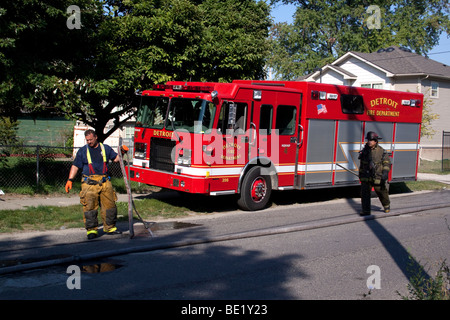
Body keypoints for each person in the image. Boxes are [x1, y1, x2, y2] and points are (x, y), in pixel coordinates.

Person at [65, 129, 128, 239]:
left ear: (96, 137)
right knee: (90, 207)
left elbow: (116, 159)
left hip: (104, 182)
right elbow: (75, 166)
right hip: (89, 183)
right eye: (87, 140)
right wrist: (70, 179)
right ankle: (91, 230)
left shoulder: (105, 148)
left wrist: (122, 152)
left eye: (90, 139)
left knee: (110, 205)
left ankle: (109, 227)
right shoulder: (83, 151)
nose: (89, 142)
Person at [358, 131, 391, 216]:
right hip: (366, 176)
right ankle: (366, 210)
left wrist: (385, 173)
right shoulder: (364, 151)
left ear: (376, 141)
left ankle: (386, 205)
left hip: (377, 176)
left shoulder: (381, 151)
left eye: (372, 140)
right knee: (365, 194)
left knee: (381, 192)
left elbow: (386, 163)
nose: (370, 141)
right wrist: (361, 174)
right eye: (368, 140)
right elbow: (362, 164)